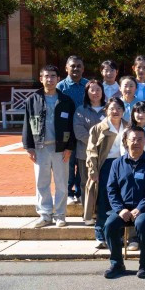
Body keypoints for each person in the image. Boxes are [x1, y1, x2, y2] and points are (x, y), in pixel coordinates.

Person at [102, 126, 145, 279]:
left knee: (142, 224)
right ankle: (117, 264)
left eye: (140, 139)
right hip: (122, 209)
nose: (136, 142)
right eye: (133, 139)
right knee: (109, 225)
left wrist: (140, 208)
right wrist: (120, 209)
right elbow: (111, 189)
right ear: (126, 142)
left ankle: (144, 265)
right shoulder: (117, 164)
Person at [22, 65, 76, 229]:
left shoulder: (66, 101)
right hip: (41, 148)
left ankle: (60, 215)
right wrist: (29, 147)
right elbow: (27, 124)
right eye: (46, 76)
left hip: (61, 149)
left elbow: (72, 125)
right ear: (41, 79)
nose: (49, 79)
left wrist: (69, 147)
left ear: (58, 79)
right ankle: (45, 215)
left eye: (53, 76)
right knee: (41, 183)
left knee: (61, 184)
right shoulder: (33, 100)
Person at [85, 97, 127, 248]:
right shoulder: (98, 128)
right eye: (112, 108)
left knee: (121, 201)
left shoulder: (128, 127)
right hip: (105, 166)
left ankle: (118, 235)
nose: (115, 111)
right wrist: (93, 170)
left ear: (124, 111)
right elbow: (91, 151)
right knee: (103, 200)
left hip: (124, 166)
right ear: (106, 110)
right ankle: (100, 235)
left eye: (119, 108)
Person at [73, 79, 105, 223]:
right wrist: (96, 143)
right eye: (92, 90)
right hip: (85, 153)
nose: (95, 93)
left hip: (106, 153)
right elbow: (79, 131)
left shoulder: (109, 109)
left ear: (102, 92)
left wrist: (103, 145)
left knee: (104, 183)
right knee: (86, 183)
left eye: (98, 89)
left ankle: (101, 212)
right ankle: (88, 214)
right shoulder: (81, 110)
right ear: (87, 92)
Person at [58, 55, 88, 205]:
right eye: (73, 66)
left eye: (79, 66)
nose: (76, 69)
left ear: (83, 68)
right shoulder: (61, 87)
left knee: (82, 162)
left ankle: (80, 192)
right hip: (67, 131)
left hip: (84, 130)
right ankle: (69, 192)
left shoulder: (88, 85)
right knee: (68, 163)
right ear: (66, 68)